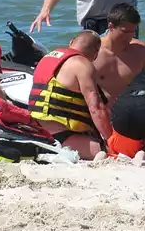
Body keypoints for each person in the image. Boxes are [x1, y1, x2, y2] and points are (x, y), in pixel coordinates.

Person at [28, 30, 111, 159]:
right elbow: (96, 108)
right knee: (110, 151)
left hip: (36, 128)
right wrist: (110, 139)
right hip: (60, 136)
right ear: (96, 54)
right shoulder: (83, 64)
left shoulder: (48, 57)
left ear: (71, 42)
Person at [93, 3, 145, 104]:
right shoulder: (93, 51)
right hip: (100, 113)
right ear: (111, 26)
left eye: (133, 32)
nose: (129, 37)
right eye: (125, 32)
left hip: (131, 113)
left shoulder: (141, 51)